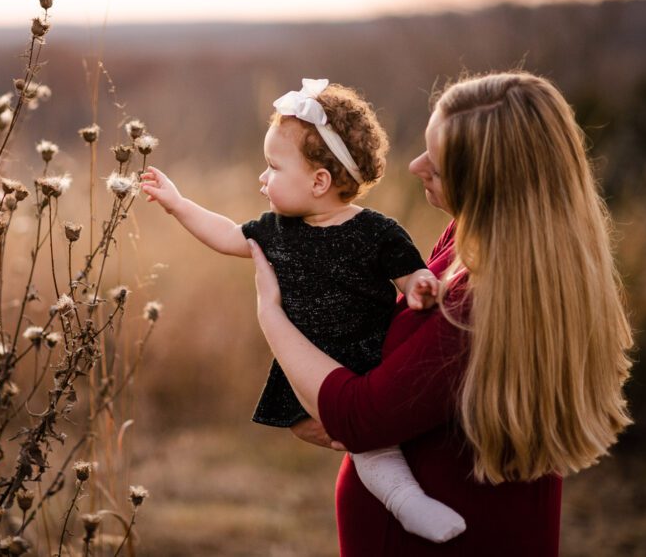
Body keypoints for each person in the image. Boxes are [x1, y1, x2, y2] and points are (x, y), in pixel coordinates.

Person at [248, 71, 634, 555]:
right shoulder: (481, 247)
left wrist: (272, 314)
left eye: (440, 163)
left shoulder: (479, 305)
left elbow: (359, 418)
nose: (415, 165)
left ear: (490, 185)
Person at [141, 78, 467, 543]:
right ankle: (375, 466)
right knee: (305, 424)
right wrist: (178, 204)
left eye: (273, 166)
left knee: (375, 448)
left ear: (319, 181)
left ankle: (406, 501)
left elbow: (410, 273)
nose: (262, 177)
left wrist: (420, 286)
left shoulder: (377, 231)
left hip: (363, 359)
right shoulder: (276, 231)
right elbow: (226, 234)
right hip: (306, 369)